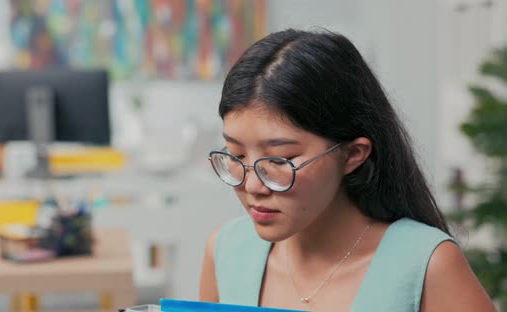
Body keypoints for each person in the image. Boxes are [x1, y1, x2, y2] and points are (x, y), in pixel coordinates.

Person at [199, 29, 495, 312]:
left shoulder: (427, 263)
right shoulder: (227, 251)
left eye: (278, 160)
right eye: (236, 154)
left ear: (352, 154)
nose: (252, 186)